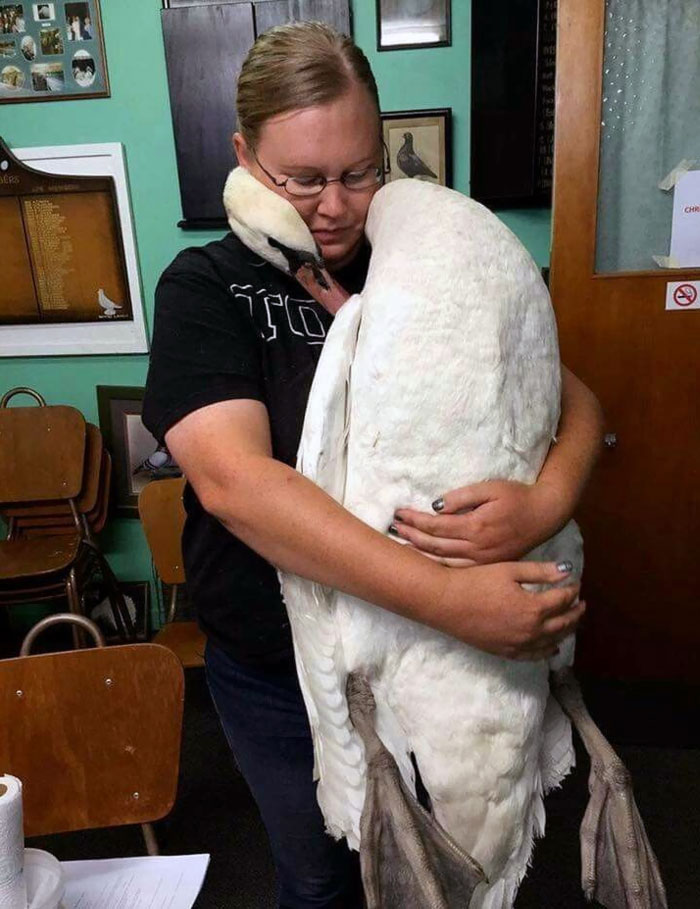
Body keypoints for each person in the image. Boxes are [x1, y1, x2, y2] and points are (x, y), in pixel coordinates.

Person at [143, 22, 602, 909]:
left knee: (454, 853)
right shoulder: (205, 287)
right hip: (282, 662)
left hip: (438, 653)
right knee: (323, 873)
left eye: (357, 172)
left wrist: (545, 500)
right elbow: (236, 485)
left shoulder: (423, 257)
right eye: (302, 178)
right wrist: (451, 599)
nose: (333, 205)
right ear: (244, 156)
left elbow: (571, 394)